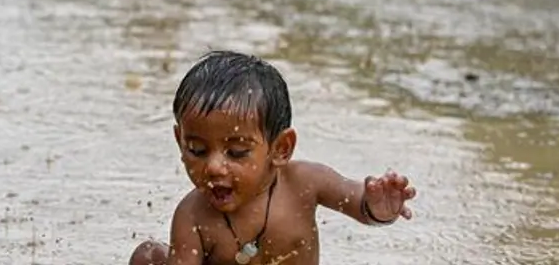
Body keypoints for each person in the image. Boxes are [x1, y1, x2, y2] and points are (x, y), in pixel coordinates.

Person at [130, 51, 417, 265]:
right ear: (179, 141)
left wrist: (378, 207)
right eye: (197, 150)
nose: (214, 167)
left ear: (281, 149)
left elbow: (355, 201)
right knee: (147, 257)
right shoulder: (192, 216)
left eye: (237, 152)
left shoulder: (305, 183)